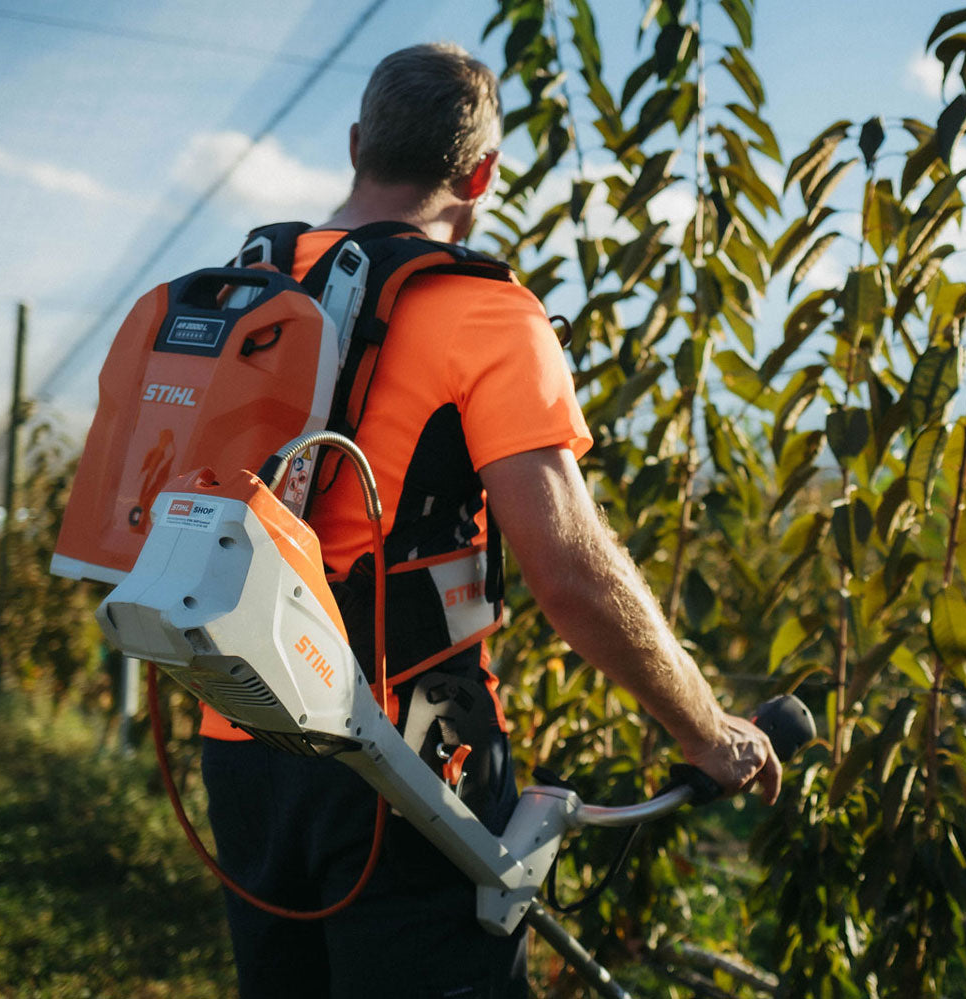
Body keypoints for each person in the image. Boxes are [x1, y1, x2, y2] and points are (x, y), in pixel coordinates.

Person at [197, 41, 780, 999]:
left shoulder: (251, 283)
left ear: (356, 146)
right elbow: (572, 572)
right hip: (403, 758)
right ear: (482, 173)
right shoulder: (483, 311)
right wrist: (705, 729)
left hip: (244, 730)